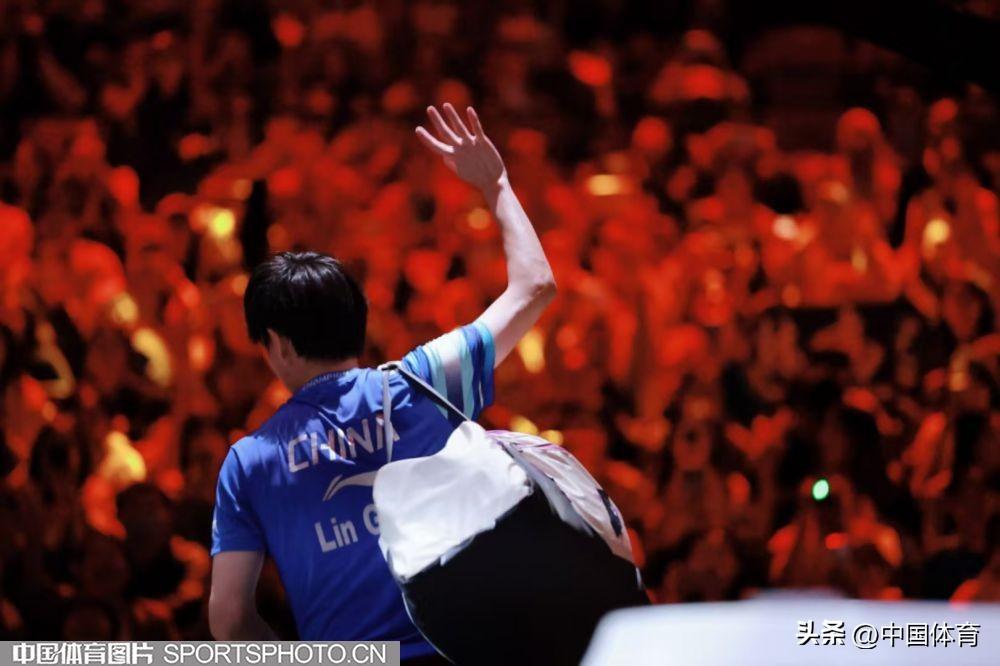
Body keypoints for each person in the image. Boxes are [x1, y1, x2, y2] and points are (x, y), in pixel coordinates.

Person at [207, 104, 557, 661]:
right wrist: (496, 186)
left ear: (276, 342)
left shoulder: (248, 463)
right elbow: (535, 285)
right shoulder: (424, 384)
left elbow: (229, 620)